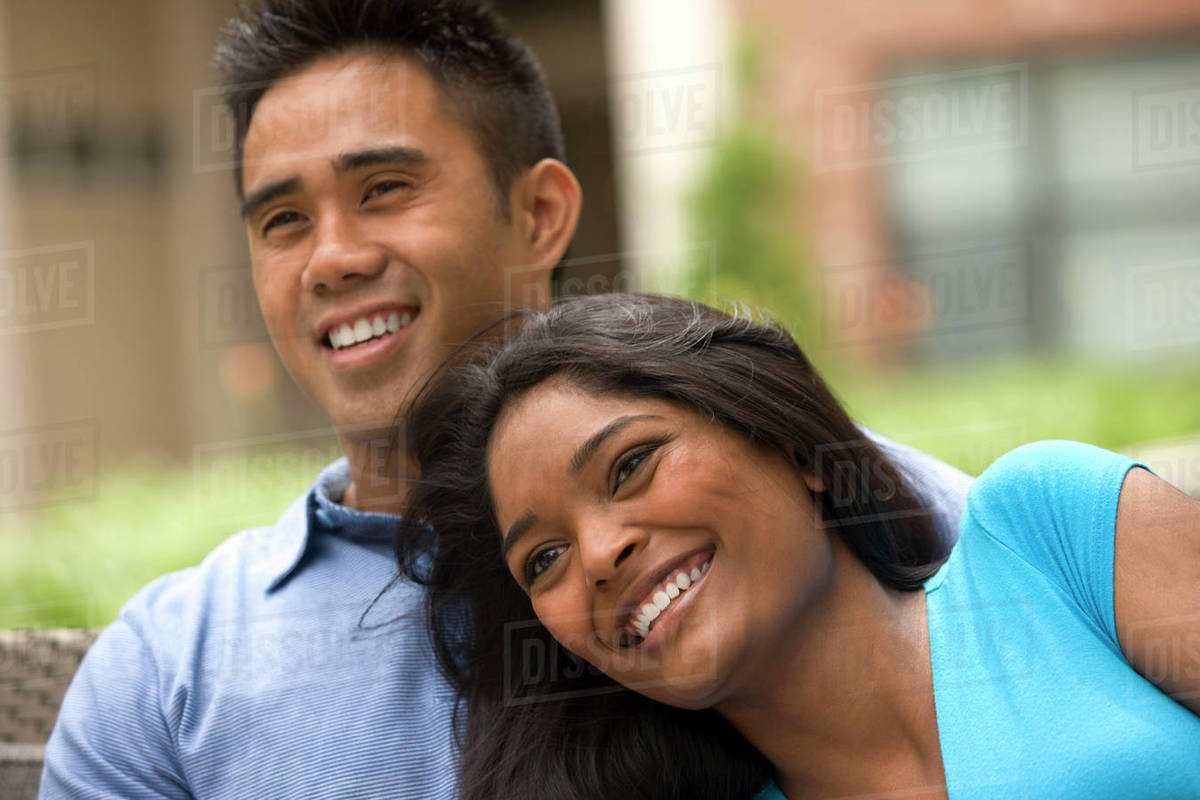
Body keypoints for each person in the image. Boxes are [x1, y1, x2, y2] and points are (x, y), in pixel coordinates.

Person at [39, 2, 969, 798]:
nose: (332, 258)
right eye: (284, 221)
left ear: (539, 216)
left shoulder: (815, 504)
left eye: (384, 188)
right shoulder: (170, 665)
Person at [402, 293, 1200, 800]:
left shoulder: (1051, 535)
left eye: (632, 464)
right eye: (544, 560)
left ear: (788, 443)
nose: (601, 553)